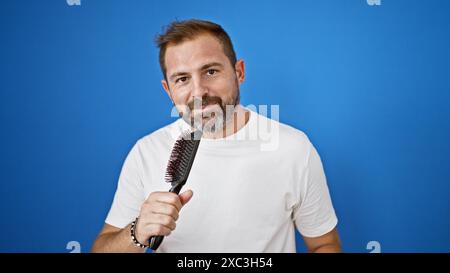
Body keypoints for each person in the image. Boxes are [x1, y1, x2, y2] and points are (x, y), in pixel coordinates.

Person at [92, 19, 341, 253]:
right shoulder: (146, 152)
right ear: (168, 90)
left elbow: (324, 244)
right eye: (182, 79)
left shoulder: (293, 148)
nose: (199, 91)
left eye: (210, 71)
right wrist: (137, 231)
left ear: (239, 72)